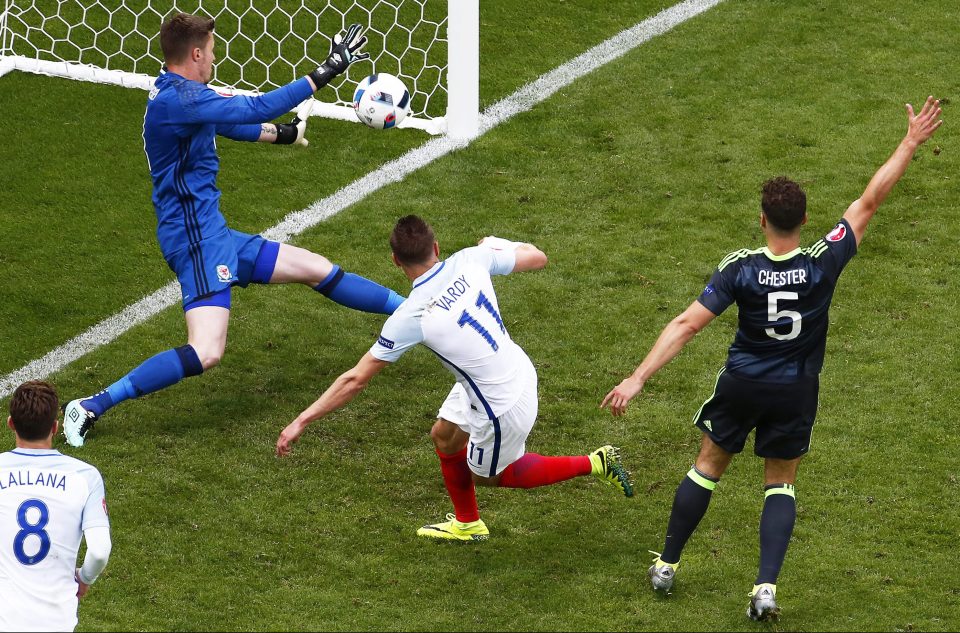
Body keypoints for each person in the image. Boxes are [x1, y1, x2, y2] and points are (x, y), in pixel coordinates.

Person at [601, 97, 942, 621]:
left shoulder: (739, 270)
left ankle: (667, 564)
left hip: (741, 383)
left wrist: (638, 376)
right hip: (796, 389)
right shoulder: (824, 260)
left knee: (707, 467)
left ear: (762, 221)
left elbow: (687, 324)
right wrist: (911, 141)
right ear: (805, 220)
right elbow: (870, 200)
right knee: (780, 480)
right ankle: (764, 589)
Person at [63, 13, 405, 446]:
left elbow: (232, 123)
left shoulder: (183, 95)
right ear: (197, 53)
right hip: (196, 242)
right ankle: (91, 404)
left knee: (315, 268)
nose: (215, 58)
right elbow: (252, 107)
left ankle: (416, 310)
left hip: (213, 233)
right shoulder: (182, 101)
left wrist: (282, 136)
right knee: (207, 351)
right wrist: (324, 73)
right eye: (212, 50)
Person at [277, 215, 634, 540]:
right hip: (505, 368)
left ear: (396, 261)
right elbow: (537, 257)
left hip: (500, 405)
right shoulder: (472, 258)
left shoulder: (410, 315)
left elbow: (355, 380)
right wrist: (496, 241)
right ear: (435, 248)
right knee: (445, 436)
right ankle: (467, 524)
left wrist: (302, 419)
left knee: (489, 475)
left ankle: (595, 462)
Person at [0, 381, 112, 632]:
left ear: (10, 424)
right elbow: (99, 551)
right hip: (56, 623)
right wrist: (84, 579)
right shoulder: (85, 476)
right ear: (54, 427)